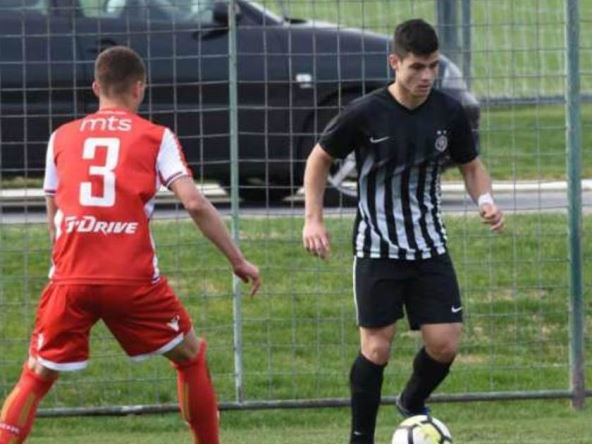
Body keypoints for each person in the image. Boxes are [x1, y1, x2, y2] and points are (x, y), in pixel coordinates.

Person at [0, 46, 260, 444]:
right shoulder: (156, 137)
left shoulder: (61, 137)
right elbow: (194, 202)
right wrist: (237, 259)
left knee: (36, 373)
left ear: (95, 87)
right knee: (190, 356)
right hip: (132, 280)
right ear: (140, 88)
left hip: (71, 277)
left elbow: (54, 216)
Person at [302, 19, 503, 444]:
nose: (426, 76)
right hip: (377, 247)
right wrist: (313, 218)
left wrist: (485, 200)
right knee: (377, 348)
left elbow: (471, 166)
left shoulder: (448, 112)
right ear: (395, 63)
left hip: (429, 246)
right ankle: (361, 438)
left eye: (433, 66)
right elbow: (319, 159)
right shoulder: (365, 113)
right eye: (416, 67)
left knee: (445, 343)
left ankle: (411, 401)